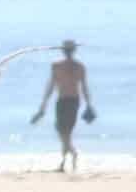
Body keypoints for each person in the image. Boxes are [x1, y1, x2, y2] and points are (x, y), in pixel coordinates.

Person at [29, 39, 92, 171]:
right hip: (63, 101)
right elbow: (51, 86)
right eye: (66, 50)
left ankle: (67, 159)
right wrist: (43, 106)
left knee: (65, 132)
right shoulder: (57, 66)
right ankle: (68, 158)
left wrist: (89, 105)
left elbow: (84, 87)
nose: (68, 52)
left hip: (72, 101)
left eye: (69, 50)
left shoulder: (78, 67)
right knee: (62, 131)